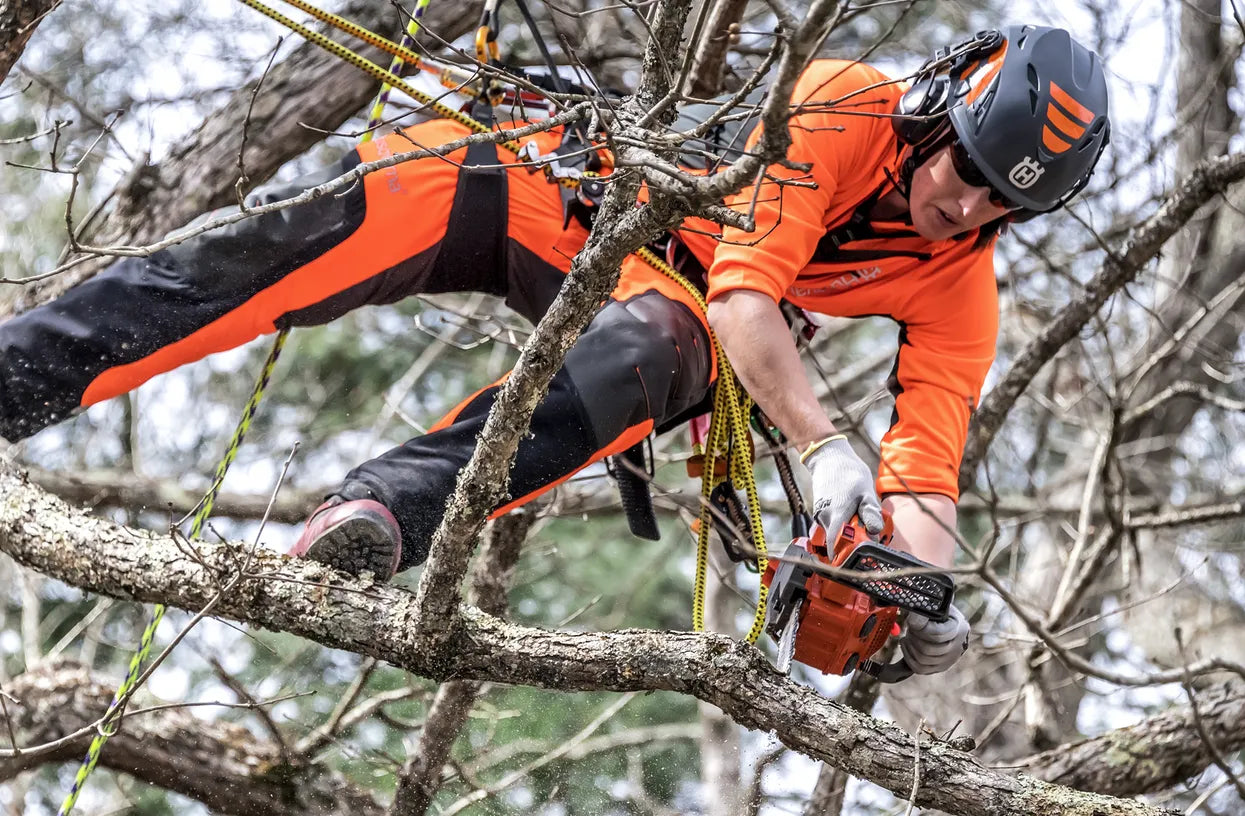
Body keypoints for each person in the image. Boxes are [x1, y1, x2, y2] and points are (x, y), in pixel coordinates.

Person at [0, 23, 1109, 676]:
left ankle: (382, 509)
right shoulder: (840, 106)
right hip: (536, 177)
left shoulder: (962, 282)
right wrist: (821, 443)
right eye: (963, 169)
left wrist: (914, 589)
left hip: (661, 296)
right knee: (277, 251)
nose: (964, 209)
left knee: (656, 359)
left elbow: (930, 469)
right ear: (934, 116)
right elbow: (750, 298)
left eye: (1000, 206)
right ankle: (14, 377)